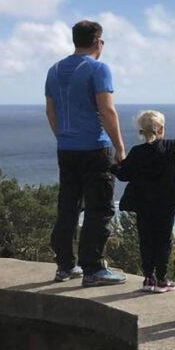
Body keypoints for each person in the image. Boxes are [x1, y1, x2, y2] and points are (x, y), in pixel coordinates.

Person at [45, 20, 127, 286]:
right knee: (99, 208)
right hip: (95, 147)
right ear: (98, 43)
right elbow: (107, 110)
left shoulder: (54, 70)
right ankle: (93, 269)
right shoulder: (99, 68)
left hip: (66, 149)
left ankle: (65, 265)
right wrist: (120, 148)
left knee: (67, 206)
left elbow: (51, 111)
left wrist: (63, 137)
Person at [115, 111, 175, 293]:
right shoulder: (172, 147)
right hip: (167, 203)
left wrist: (114, 165)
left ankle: (149, 278)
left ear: (141, 131)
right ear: (162, 128)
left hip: (143, 203)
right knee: (163, 239)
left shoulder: (137, 152)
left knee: (146, 238)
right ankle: (162, 280)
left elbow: (124, 175)